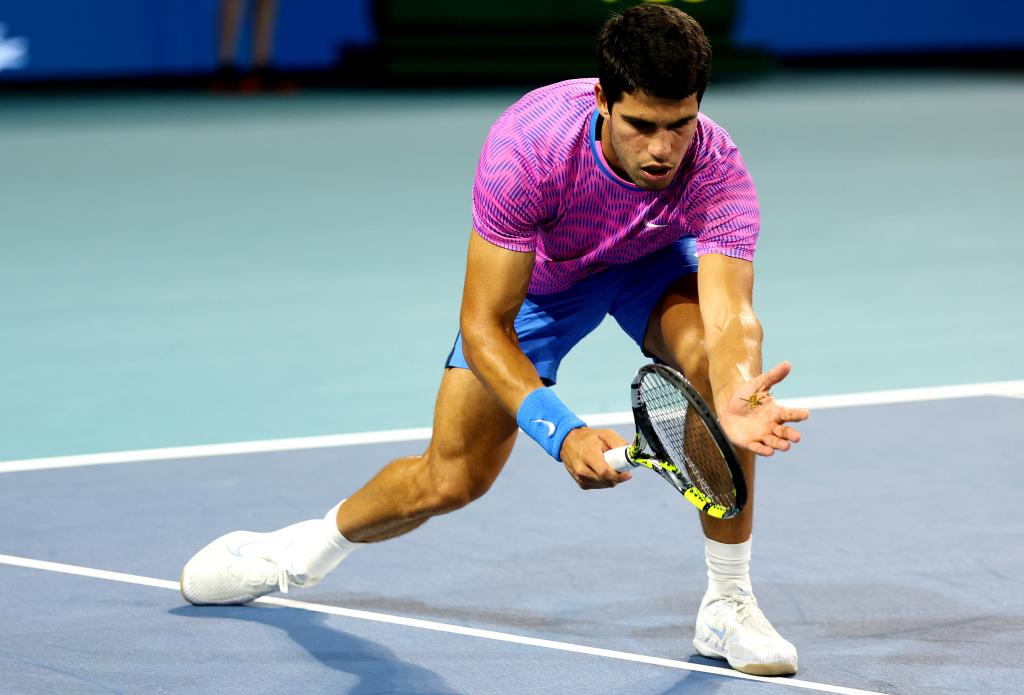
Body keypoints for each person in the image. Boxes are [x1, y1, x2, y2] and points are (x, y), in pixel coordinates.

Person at [181, 4, 809, 677]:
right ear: (602, 100)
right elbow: (485, 326)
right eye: (641, 127)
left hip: (649, 267)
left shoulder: (715, 164)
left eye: (679, 127)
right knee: (451, 478)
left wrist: (737, 386)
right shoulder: (529, 147)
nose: (662, 149)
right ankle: (298, 552)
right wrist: (562, 432)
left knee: (721, 382)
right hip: (544, 284)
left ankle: (729, 602)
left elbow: (731, 314)